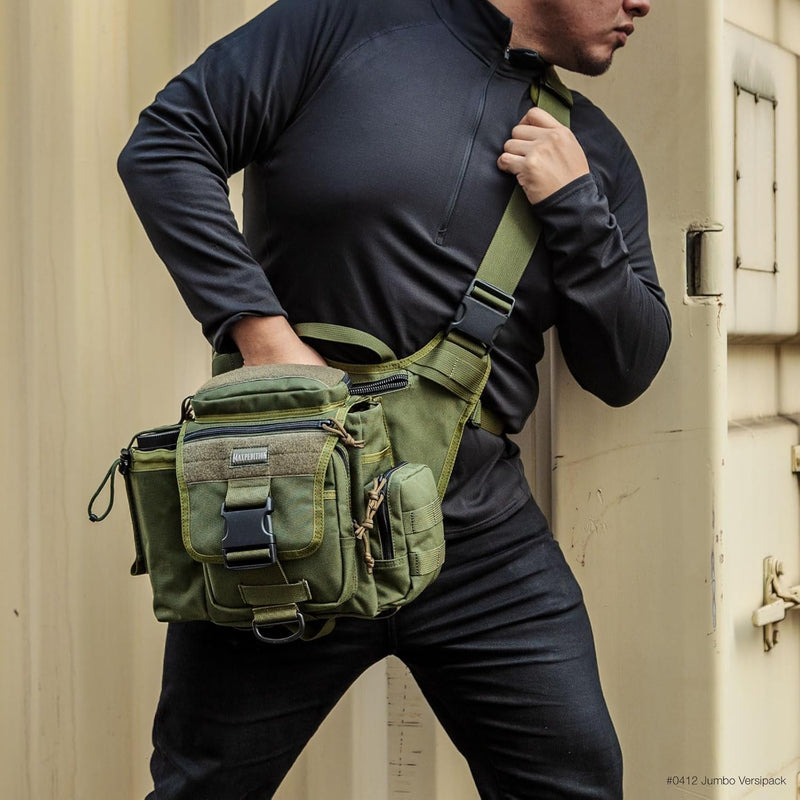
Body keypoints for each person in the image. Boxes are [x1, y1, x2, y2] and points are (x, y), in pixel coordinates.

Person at [118, 0, 670, 797]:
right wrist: (261, 335)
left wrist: (576, 205)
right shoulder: (347, 21)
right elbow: (167, 142)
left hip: (478, 533)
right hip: (286, 512)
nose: (642, 2)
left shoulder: (593, 151)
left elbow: (629, 367)